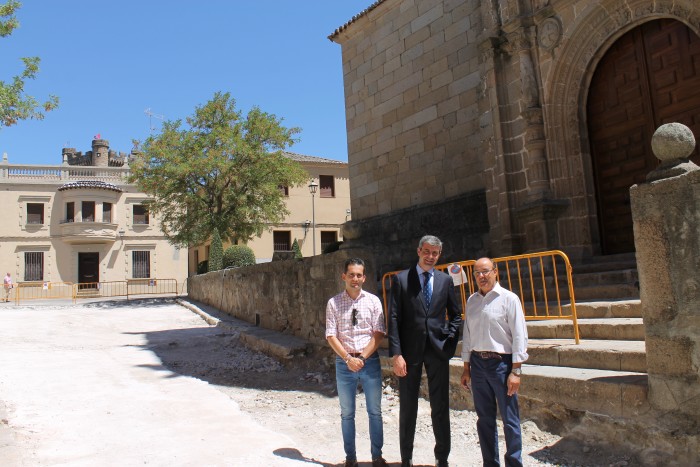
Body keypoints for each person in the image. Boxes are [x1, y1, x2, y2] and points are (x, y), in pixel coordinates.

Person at [388, 235, 463, 467]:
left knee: (440, 406)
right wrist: (396, 353)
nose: (430, 257)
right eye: (427, 252)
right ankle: (406, 458)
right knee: (408, 406)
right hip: (409, 353)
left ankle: (442, 458)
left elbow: (456, 315)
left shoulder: (445, 280)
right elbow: (393, 317)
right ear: (418, 251)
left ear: (439, 255)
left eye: (435, 253)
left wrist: (449, 343)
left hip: (438, 351)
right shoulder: (401, 280)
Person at [460, 257, 529, 467]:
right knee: (485, 419)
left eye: (485, 271)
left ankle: (514, 463)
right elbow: (468, 335)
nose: (482, 276)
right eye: (477, 273)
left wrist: (516, 371)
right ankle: (490, 463)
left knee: (510, 420)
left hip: (502, 364)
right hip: (478, 364)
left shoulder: (509, 299)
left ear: (495, 272)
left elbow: (519, 335)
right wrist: (466, 367)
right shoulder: (472, 301)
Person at [326, 257, 388, 467]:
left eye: (359, 275)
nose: (355, 279)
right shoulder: (333, 303)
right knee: (347, 413)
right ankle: (350, 459)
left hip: (368, 361)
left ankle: (377, 456)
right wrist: (347, 359)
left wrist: (361, 358)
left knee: (375, 411)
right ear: (344, 276)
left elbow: (378, 333)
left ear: (364, 277)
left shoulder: (373, 301)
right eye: (351, 274)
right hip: (344, 363)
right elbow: (330, 335)